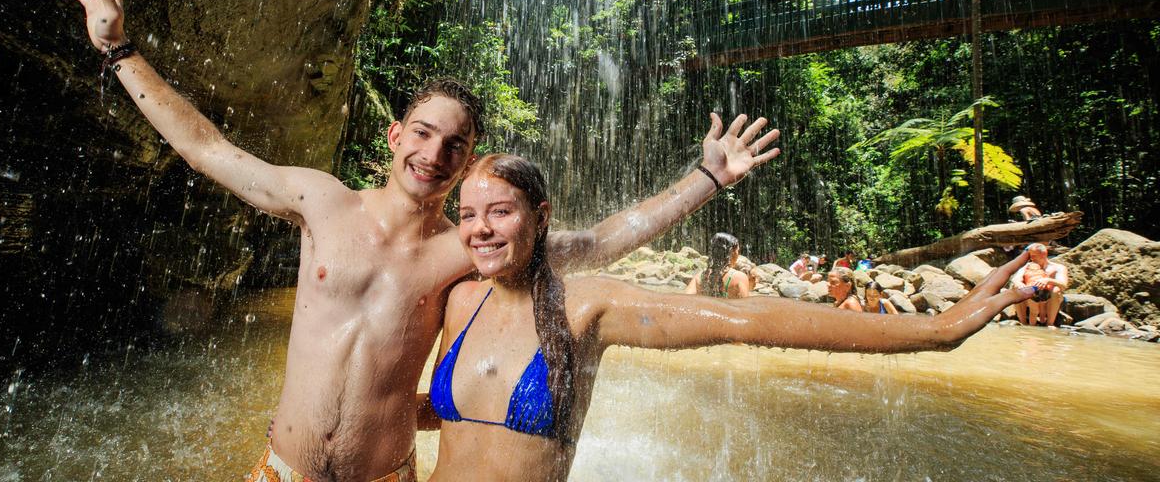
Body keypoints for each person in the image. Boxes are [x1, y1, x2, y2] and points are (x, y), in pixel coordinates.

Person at [57, 0, 783, 482]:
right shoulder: (319, 201)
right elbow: (207, 148)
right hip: (280, 474)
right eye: (424, 134)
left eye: (456, 145)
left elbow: (596, 243)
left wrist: (705, 179)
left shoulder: (468, 248)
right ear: (396, 136)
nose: (435, 153)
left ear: (470, 163)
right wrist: (119, 49)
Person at [423, 154, 1037, 481]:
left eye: (500, 211)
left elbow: (742, 319)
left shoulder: (587, 306)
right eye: (469, 214)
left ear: (541, 214)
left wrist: (934, 329)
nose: (480, 228)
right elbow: (442, 415)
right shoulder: (458, 301)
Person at [1009, 243, 1069, 328]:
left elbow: (1063, 285)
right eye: (1030, 256)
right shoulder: (1027, 266)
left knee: (1056, 289)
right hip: (1030, 299)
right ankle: (1023, 323)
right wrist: (1020, 283)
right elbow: (1015, 279)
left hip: (1049, 299)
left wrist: (1047, 280)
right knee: (1015, 287)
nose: (1031, 258)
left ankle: (1050, 323)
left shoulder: (1058, 267)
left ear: (1044, 254)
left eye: (1034, 256)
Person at [684, 233, 751, 299]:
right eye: (737, 250)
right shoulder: (739, 277)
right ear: (732, 252)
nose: (738, 253)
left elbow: (685, 300)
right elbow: (746, 307)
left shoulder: (700, 277)